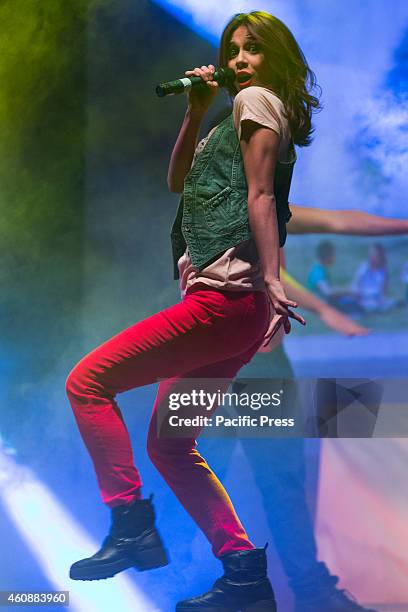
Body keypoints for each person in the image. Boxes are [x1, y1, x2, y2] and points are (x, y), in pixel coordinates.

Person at [65, 10, 316, 611]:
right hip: (234, 309)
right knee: (172, 445)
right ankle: (243, 570)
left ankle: (130, 524)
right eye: (232, 50)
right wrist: (195, 109)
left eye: (252, 49)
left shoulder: (256, 101)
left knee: (87, 382)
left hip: (222, 303)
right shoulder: (233, 114)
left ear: (275, 59)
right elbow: (179, 182)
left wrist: (275, 279)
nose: (238, 61)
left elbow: (261, 196)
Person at [351, 243, 396, 313]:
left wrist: (382, 300)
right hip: (361, 297)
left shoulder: (383, 271)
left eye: (374, 255)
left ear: (380, 257)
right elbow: (357, 286)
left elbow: (383, 292)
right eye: (370, 255)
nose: (371, 257)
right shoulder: (364, 267)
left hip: (375, 299)